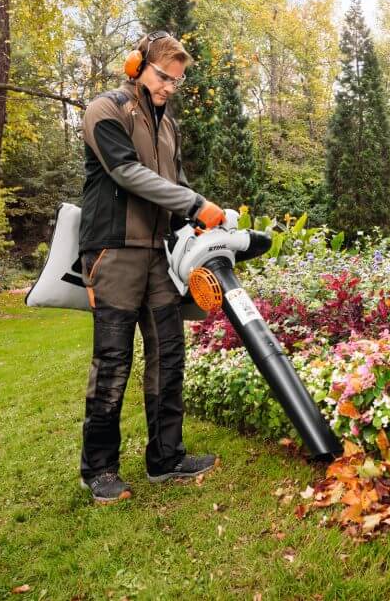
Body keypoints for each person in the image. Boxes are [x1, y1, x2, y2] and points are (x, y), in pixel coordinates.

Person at [77, 30, 226, 504]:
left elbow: (174, 181)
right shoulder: (106, 110)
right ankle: (99, 469)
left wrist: (197, 220)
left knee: (168, 355)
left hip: (158, 255)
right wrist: (195, 202)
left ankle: (166, 457)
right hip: (113, 251)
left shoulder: (169, 127)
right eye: (163, 76)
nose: (168, 87)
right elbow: (127, 173)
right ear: (137, 65)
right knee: (114, 361)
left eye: (176, 81)